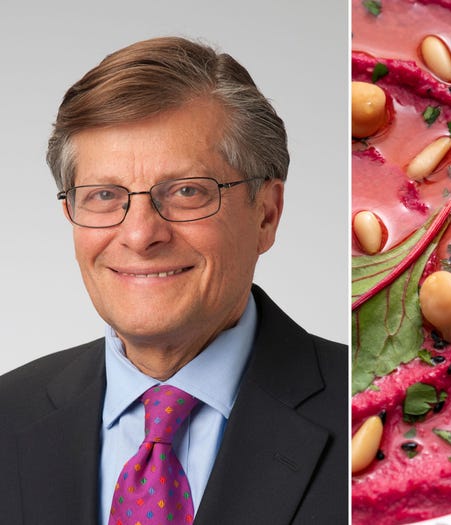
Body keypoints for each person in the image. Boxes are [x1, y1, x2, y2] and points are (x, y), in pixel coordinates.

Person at [0, 36, 347, 525]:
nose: (140, 235)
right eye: (103, 195)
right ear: (71, 216)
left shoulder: (363, 405)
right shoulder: (8, 414)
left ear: (266, 215)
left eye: (187, 191)